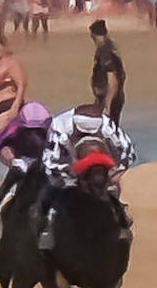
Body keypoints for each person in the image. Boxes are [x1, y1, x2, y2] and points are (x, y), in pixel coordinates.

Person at [39, 102, 136, 249]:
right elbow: (50, 163)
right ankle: (47, 225)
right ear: (74, 126)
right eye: (82, 132)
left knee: (112, 191)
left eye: (93, 132)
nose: (88, 135)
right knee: (53, 192)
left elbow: (128, 152)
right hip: (66, 167)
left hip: (103, 168)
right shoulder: (59, 127)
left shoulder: (107, 126)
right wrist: (70, 175)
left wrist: (116, 173)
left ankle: (121, 221)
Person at [0, 101, 54, 242]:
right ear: (22, 125)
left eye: (39, 130)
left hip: (44, 164)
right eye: (29, 130)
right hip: (22, 166)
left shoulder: (53, 129)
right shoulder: (13, 129)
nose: (34, 135)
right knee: (7, 190)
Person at [89, 20, 126, 124]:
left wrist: (107, 106)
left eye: (92, 37)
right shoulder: (109, 49)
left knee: (108, 131)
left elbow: (112, 80)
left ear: (95, 35)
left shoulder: (105, 53)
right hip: (109, 98)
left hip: (110, 99)